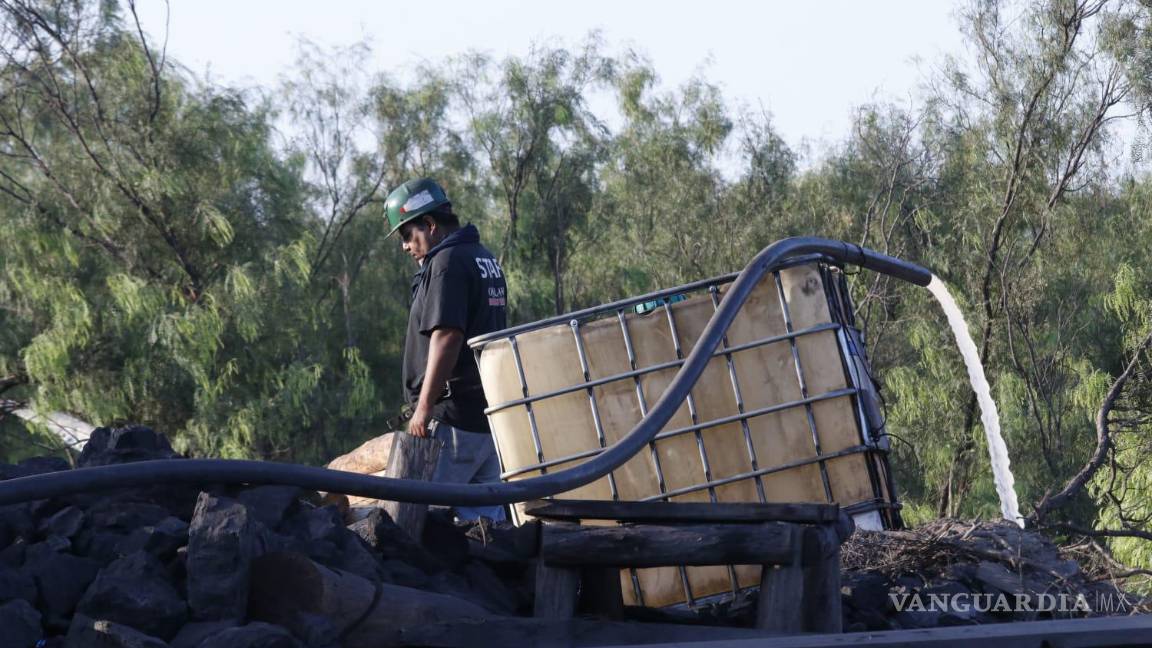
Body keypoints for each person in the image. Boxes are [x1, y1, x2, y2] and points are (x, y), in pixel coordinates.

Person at [385, 177, 508, 521]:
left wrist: (422, 410)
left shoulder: (447, 263)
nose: (406, 247)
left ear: (430, 224)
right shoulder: (484, 258)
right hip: (486, 418)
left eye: (408, 235)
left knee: (417, 519)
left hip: (452, 421)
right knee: (484, 529)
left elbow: (448, 337)